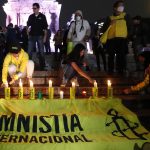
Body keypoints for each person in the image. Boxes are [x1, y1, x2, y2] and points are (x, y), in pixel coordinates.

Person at [101, 0, 132, 74]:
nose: (122, 7)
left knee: (121, 56)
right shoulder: (109, 18)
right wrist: (109, 24)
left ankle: (121, 71)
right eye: (120, 5)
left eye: (122, 5)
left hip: (122, 39)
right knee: (111, 56)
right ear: (115, 8)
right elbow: (103, 29)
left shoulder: (126, 16)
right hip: (111, 39)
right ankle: (110, 71)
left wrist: (127, 38)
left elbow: (130, 28)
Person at [27, 3, 48, 70]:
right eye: (33, 8)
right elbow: (27, 25)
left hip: (40, 36)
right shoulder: (31, 16)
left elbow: (45, 27)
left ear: (38, 8)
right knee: (29, 51)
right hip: (32, 36)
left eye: (35, 8)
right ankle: (28, 65)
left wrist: (45, 37)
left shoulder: (43, 16)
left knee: (41, 52)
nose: (34, 10)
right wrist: (27, 33)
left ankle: (42, 65)